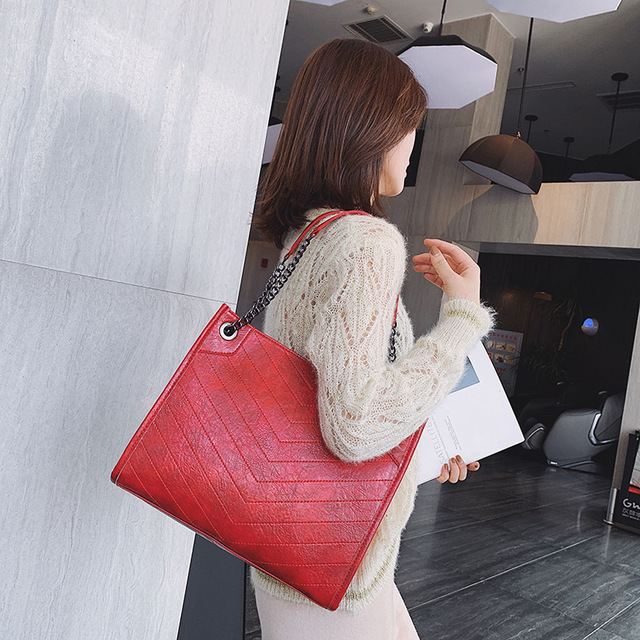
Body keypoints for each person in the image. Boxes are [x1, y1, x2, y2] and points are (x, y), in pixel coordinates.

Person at [253, 38, 494, 640]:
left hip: (302, 543)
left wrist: (421, 450)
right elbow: (354, 425)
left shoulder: (310, 235)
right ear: (369, 129)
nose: (414, 146)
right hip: (337, 565)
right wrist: (462, 317)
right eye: (410, 128)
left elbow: (332, 399)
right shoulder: (367, 242)